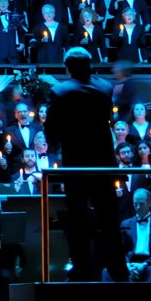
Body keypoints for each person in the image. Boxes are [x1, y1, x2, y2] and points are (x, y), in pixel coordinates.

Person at [44, 46, 129, 282]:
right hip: (103, 163)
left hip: (76, 165)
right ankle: (119, 272)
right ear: (90, 65)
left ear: (67, 67)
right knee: (109, 221)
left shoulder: (59, 92)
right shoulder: (105, 88)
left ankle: (81, 271)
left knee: (79, 220)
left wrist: (56, 144)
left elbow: (51, 130)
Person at [103, 188, 151, 283]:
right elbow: (120, 249)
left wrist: (144, 264)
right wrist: (126, 265)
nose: (137, 207)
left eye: (141, 204)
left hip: (149, 263)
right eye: (135, 204)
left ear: (150, 203)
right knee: (106, 272)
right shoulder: (126, 224)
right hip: (130, 261)